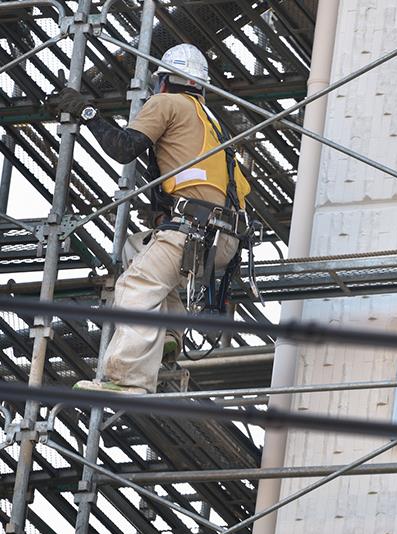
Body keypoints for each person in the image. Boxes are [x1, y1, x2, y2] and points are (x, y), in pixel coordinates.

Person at [47, 44, 251, 394]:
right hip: (223, 240)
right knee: (135, 249)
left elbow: (124, 147)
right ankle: (169, 334)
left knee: (135, 286)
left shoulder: (166, 103)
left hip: (194, 230)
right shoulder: (209, 121)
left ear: (164, 81)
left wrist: (88, 113)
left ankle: (128, 378)